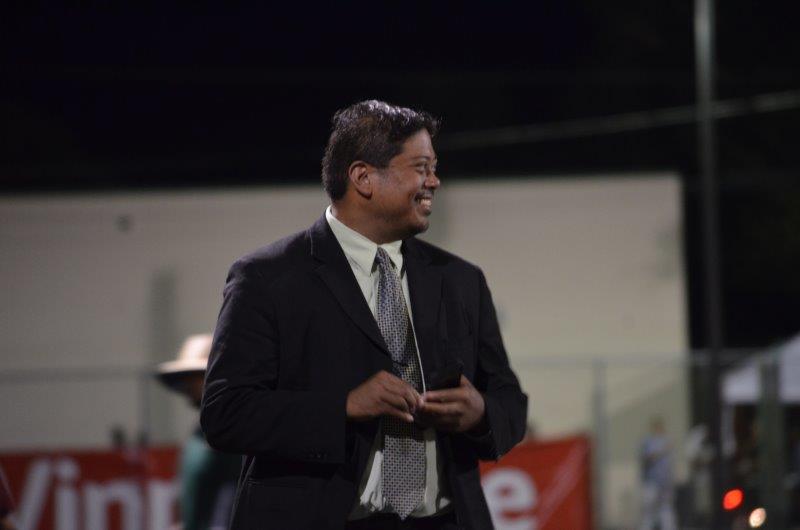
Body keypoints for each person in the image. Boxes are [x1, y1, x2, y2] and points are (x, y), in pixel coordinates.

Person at [200, 100, 528, 530]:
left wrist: (481, 412)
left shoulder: (462, 280)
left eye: (434, 168)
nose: (434, 181)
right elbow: (226, 413)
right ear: (363, 177)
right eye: (421, 167)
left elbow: (510, 402)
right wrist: (343, 406)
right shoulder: (267, 278)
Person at [156, 334, 241, 530]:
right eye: (188, 378)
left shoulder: (229, 434)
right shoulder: (199, 433)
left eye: (197, 376)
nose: (191, 385)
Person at [638, 417, 677, 530]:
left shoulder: (666, 440)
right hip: (652, 481)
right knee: (649, 509)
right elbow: (648, 458)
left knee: (666, 508)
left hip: (665, 481)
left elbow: (669, 464)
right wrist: (663, 450)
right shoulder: (648, 442)